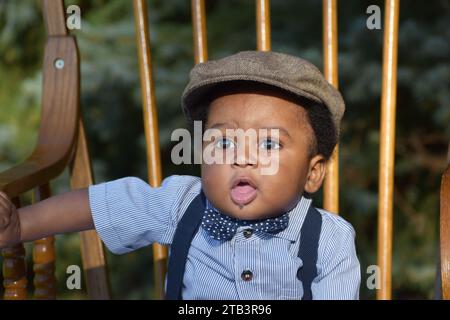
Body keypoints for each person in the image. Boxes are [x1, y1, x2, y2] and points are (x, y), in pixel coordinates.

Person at [0, 51, 360, 300]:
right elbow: (98, 206)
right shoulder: (181, 204)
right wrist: (20, 226)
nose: (243, 158)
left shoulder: (329, 239)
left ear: (313, 173)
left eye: (268, 143)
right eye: (224, 141)